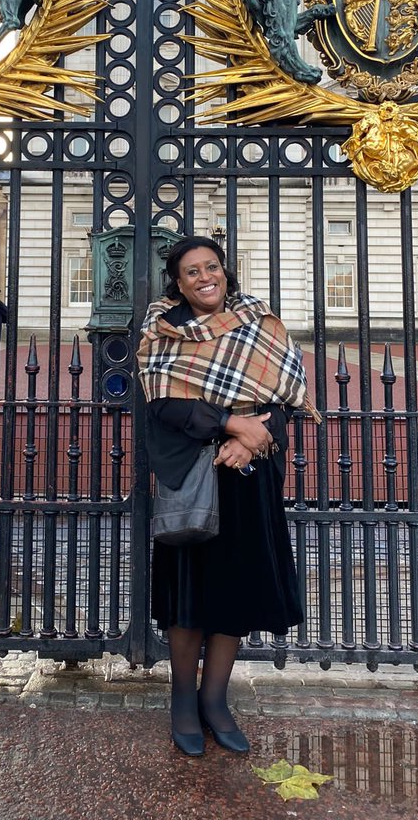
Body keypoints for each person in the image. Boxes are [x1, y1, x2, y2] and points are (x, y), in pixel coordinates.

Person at [137, 235, 319, 758]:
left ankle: (215, 699)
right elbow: (164, 405)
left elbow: (285, 397)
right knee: (190, 591)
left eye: (210, 267)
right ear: (178, 281)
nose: (203, 277)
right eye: (191, 271)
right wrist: (230, 423)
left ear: (225, 271)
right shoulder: (162, 330)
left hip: (248, 473)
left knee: (234, 590)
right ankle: (181, 699)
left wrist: (252, 438)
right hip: (194, 473)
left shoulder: (262, 324)